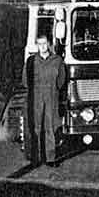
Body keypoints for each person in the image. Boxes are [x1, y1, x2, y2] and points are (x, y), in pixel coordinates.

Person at [22, 35, 66, 167]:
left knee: (50, 127)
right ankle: (35, 158)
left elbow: (61, 80)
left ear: (49, 44)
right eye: (39, 44)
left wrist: (54, 91)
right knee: (35, 128)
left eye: (44, 43)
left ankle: (50, 158)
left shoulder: (57, 60)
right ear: (37, 45)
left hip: (52, 96)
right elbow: (25, 81)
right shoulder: (31, 61)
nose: (42, 46)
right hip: (35, 97)